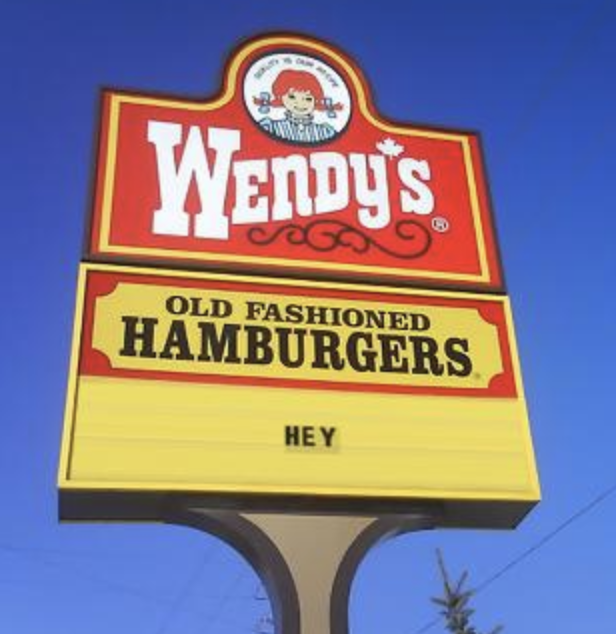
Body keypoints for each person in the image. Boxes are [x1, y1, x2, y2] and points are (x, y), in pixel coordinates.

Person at [254, 69, 343, 144]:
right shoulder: (270, 127)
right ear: (281, 97)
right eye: (292, 97)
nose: (300, 103)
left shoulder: (326, 132)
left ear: (315, 101)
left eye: (308, 99)